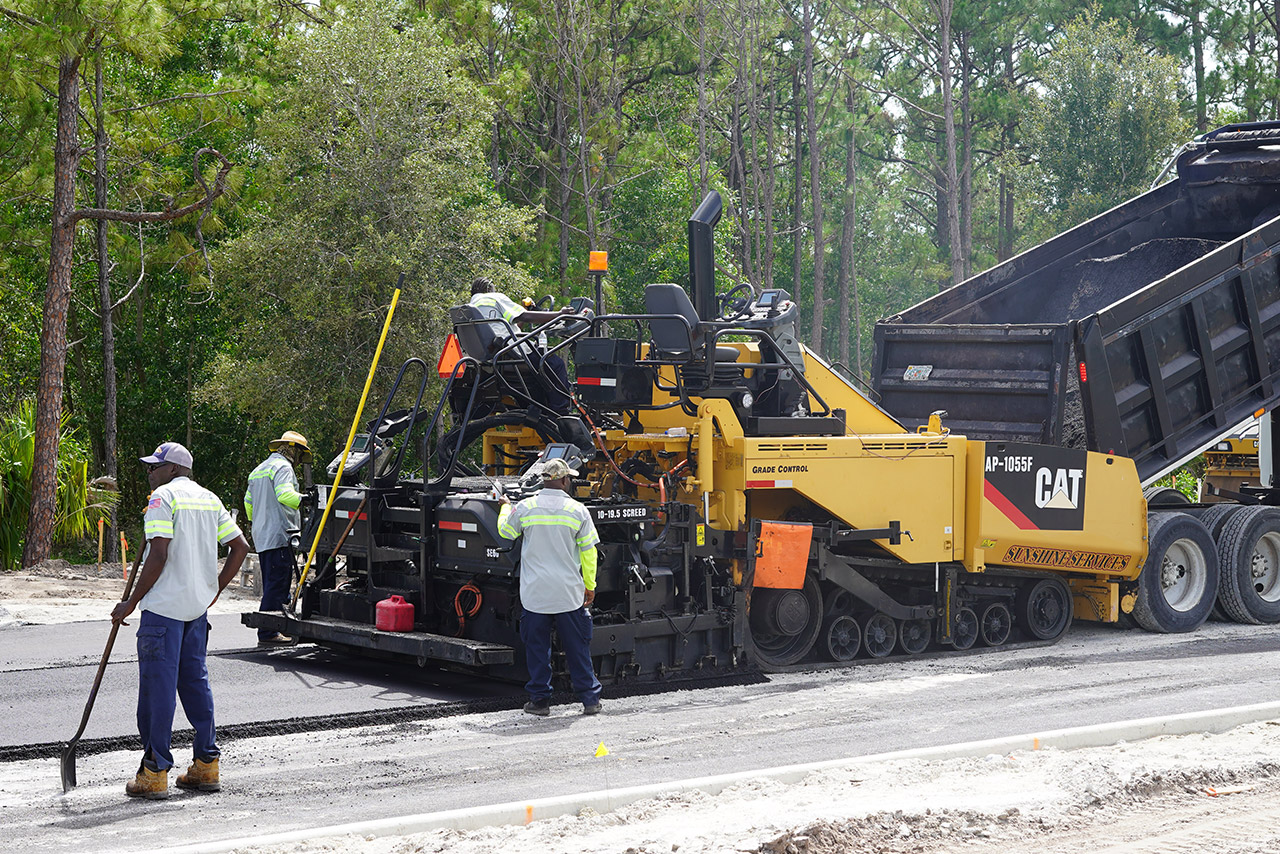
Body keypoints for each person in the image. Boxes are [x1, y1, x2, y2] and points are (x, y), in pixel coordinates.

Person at [111, 441, 250, 799]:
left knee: (158, 691)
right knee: (195, 684)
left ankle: (155, 772)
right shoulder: (209, 499)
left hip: (163, 611)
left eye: (154, 467)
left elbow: (158, 555)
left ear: (173, 469)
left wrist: (131, 602)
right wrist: (213, 589)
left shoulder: (162, 499)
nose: (149, 473)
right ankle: (206, 765)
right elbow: (240, 547)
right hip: (196, 610)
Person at [497, 456, 602, 716]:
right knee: (578, 648)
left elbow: (505, 533)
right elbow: (589, 554)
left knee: (537, 649)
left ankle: (540, 702)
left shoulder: (525, 508)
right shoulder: (578, 511)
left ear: (544, 480)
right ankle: (590, 701)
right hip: (568, 594)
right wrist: (590, 586)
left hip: (535, 595)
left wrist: (504, 507)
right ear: (565, 480)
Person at [469, 277, 575, 415]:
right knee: (554, 364)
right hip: (511, 352)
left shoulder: (472, 306)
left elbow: (511, 325)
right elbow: (525, 317)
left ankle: (539, 409)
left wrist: (524, 310)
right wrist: (560, 314)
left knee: (541, 367)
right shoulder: (493, 297)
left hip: (495, 356)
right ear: (490, 289)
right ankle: (561, 412)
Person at [243, 430, 312, 644]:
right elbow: (285, 495)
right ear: (293, 450)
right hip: (281, 534)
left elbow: (248, 506)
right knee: (277, 584)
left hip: (263, 535)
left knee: (275, 582)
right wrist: (308, 499)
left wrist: (263, 521)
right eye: (300, 454)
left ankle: (281, 626)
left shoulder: (258, 470)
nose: (300, 460)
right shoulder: (283, 467)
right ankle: (268, 632)